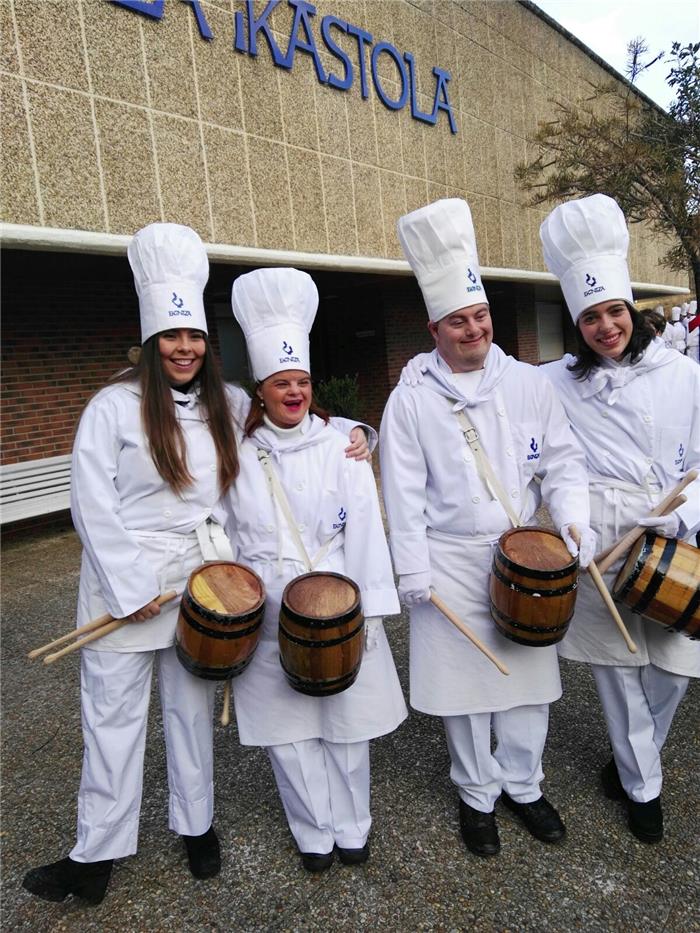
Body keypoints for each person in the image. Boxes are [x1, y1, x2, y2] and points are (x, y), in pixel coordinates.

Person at [22, 226, 371, 907]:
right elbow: (92, 504)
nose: (185, 348)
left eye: (195, 336)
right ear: (152, 342)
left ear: (207, 343)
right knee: (113, 719)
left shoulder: (230, 403)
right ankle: (95, 852)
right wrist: (131, 588)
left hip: (201, 588)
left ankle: (196, 825)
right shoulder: (110, 408)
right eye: (172, 337)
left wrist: (361, 432)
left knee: (190, 713)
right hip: (125, 589)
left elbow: (294, 420)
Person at [379, 198, 593, 859]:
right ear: (434, 327)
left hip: (523, 553)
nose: (473, 329)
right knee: (467, 691)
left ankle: (524, 783)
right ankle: (477, 793)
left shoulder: (529, 384)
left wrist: (574, 518)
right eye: (457, 321)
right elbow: (402, 491)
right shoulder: (411, 400)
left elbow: (562, 461)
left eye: (480, 316)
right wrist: (410, 568)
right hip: (447, 558)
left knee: (526, 682)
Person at [224, 267, 407, 872]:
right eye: (282, 382)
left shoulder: (344, 443)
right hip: (269, 604)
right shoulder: (240, 455)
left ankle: (355, 825)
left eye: (302, 380)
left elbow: (366, 529)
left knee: (347, 723)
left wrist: (370, 612)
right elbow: (222, 531)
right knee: (288, 732)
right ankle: (312, 832)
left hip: (335, 600)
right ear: (262, 390)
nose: (295, 392)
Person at [539, 193, 700, 843]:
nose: (605, 326)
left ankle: (638, 757)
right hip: (599, 539)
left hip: (671, 538)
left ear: (630, 309)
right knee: (616, 673)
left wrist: (686, 514)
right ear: (575, 323)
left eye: (613, 311)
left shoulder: (684, 374)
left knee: (674, 666)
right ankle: (642, 785)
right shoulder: (554, 384)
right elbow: (548, 459)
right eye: (590, 317)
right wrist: (360, 434)